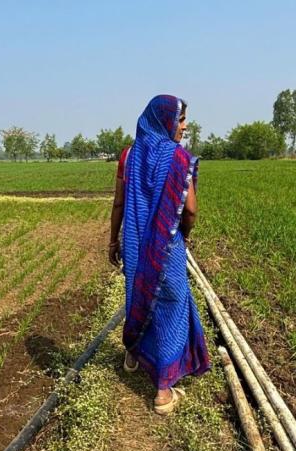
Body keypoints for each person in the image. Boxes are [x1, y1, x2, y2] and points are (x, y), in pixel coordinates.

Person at [108, 95, 211, 415]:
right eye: (180, 120)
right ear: (164, 120)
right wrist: (184, 236)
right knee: (170, 307)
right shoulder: (179, 159)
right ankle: (163, 391)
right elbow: (190, 211)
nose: (184, 125)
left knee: (138, 299)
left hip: (136, 245)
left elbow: (119, 204)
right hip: (167, 248)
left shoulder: (128, 156)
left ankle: (133, 355)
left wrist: (113, 242)